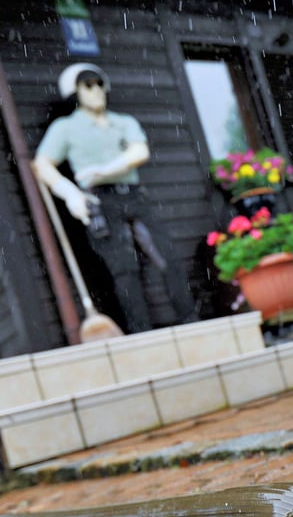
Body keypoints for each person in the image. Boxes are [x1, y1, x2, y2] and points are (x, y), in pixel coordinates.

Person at [34, 62, 196, 333]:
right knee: (124, 269)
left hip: (133, 195)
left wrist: (106, 170)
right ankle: (140, 332)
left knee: (166, 256)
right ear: (75, 92)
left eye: (99, 84)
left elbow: (139, 152)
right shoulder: (67, 128)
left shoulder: (123, 122)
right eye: (88, 85)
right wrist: (70, 194)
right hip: (100, 202)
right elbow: (42, 164)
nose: (96, 90)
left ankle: (190, 319)